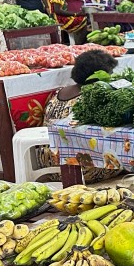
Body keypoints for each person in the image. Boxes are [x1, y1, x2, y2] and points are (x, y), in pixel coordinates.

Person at [40, 49, 123, 182]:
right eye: (110, 73)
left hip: (48, 166)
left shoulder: (59, 92)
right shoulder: (92, 97)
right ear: (99, 75)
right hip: (79, 170)